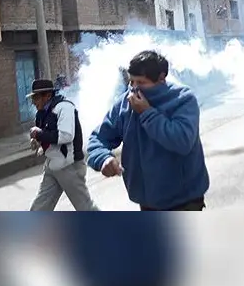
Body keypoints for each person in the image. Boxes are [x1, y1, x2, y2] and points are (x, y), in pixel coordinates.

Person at [87, 50, 210, 211]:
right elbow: (98, 138)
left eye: (141, 82)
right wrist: (102, 158)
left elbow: (182, 141)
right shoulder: (125, 103)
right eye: (132, 82)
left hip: (184, 200)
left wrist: (146, 112)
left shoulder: (182, 99)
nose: (135, 89)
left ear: (161, 78)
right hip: (146, 201)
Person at [28, 78, 96, 211]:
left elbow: (66, 135)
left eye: (36, 98)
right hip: (52, 164)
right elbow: (46, 134)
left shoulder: (64, 107)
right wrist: (37, 141)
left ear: (47, 95)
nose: (33, 102)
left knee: (85, 208)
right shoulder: (41, 113)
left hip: (68, 165)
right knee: (39, 207)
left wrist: (39, 134)